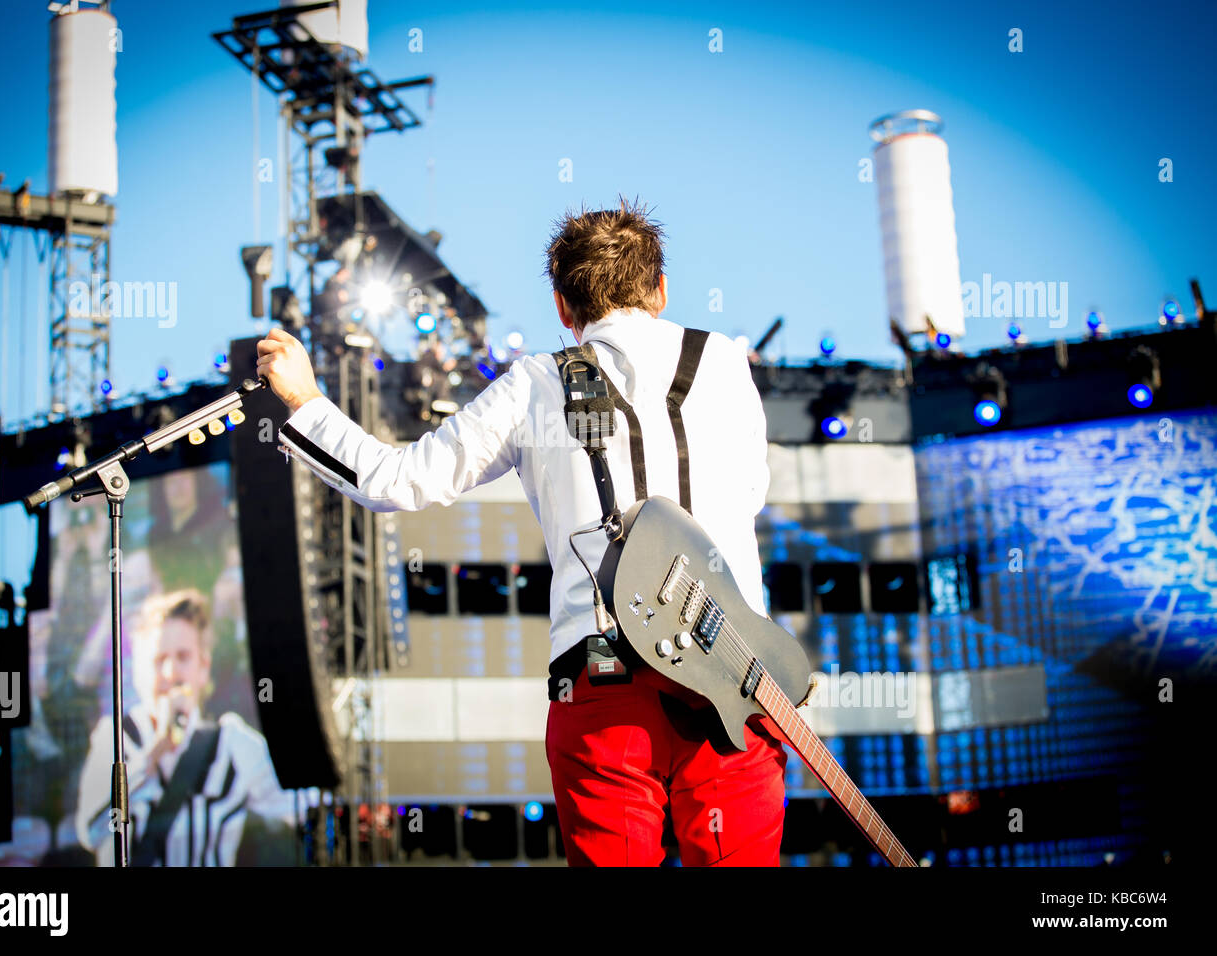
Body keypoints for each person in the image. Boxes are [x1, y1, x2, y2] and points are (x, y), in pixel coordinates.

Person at [258, 197, 788, 866]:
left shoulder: (537, 384)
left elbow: (399, 481)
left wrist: (306, 401)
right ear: (660, 289)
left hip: (605, 686)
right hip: (733, 678)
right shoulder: (724, 363)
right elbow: (749, 496)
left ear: (565, 311)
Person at [74, 589, 287, 866]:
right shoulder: (114, 740)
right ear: (138, 672)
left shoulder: (234, 744)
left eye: (183, 657)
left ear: (203, 667)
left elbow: (299, 804)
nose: (171, 673)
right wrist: (154, 754)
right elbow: (90, 832)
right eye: (159, 660)